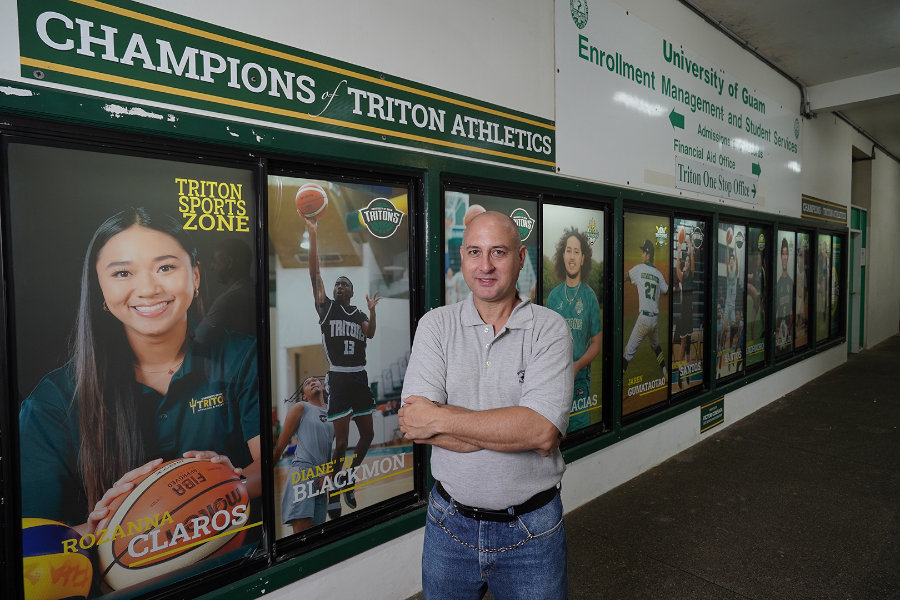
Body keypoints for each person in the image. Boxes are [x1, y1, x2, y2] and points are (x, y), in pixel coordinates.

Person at [18, 207, 261, 537]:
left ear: (196, 276)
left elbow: (270, 465)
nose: (148, 289)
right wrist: (99, 530)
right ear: (100, 290)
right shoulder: (52, 403)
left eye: (165, 267)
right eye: (122, 273)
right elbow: (33, 545)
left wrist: (225, 481)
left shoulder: (242, 356)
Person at [399, 211, 573, 600]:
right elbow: (413, 422)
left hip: (532, 531)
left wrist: (440, 418)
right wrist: (512, 427)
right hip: (447, 525)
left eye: (499, 252)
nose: (486, 266)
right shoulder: (436, 325)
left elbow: (542, 433)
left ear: (521, 257)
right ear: (461, 257)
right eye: (475, 252)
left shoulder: (549, 329)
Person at [301, 213, 381, 517]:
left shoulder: (359, 312)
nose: (337, 287)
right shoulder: (327, 309)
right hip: (337, 378)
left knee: (369, 435)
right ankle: (333, 490)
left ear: (350, 291)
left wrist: (373, 312)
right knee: (340, 444)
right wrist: (313, 234)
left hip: (359, 378)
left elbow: (370, 333)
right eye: (335, 284)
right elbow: (314, 276)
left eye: (343, 284)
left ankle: (348, 479)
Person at [546, 227, 601, 431]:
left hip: (580, 383)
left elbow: (596, 343)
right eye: (568, 250)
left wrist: (577, 365)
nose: (572, 256)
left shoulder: (590, 297)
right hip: (554, 380)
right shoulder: (553, 297)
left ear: (583, 259)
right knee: (553, 433)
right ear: (562, 256)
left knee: (578, 431)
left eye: (576, 252)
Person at [273, 376, 334, 533]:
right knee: (303, 535)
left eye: (315, 380)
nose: (312, 382)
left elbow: (331, 447)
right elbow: (280, 446)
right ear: (304, 395)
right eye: (307, 383)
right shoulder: (301, 407)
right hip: (303, 472)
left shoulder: (332, 412)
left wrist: (329, 472)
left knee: (317, 533)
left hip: (322, 476)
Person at [623, 239, 669, 381]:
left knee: (628, 353)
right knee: (655, 346)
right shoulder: (658, 274)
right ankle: (665, 373)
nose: (641, 255)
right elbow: (666, 291)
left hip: (643, 320)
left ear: (648, 254)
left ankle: (617, 384)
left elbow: (623, 277)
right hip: (654, 320)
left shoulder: (639, 269)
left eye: (643, 252)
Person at [196, 237, 255, 342]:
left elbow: (199, 338)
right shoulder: (252, 291)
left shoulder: (227, 301)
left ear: (229, 262)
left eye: (214, 260)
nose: (211, 267)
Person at [673, 235, 696, 389]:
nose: (687, 263)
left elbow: (693, 258)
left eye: (688, 262)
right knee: (682, 343)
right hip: (683, 314)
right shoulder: (682, 277)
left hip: (690, 314)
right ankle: (681, 370)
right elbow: (677, 268)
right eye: (686, 262)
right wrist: (680, 251)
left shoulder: (691, 276)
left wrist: (689, 245)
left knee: (688, 343)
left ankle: (686, 371)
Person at [776, 236, 794, 350]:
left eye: (786, 253)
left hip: (789, 323)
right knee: (778, 351)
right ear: (780, 256)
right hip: (778, 324)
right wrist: (776, 327)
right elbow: (775, 307)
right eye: (782, 253)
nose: (784, 257)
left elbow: (793, 307)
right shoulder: (777, 282)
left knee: (788, 350)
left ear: (788, 257)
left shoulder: (791, 281)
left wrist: (789, 326)